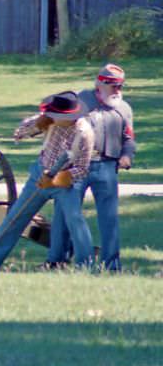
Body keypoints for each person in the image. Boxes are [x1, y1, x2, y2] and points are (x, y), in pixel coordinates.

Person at [0, 91, 95, 271]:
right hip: (39, 174)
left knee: (75, 220)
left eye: (55, 115)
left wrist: (55, 181)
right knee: (14, 219)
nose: (51, 116)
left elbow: (81, 169)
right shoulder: (49, 120)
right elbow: (21, 131)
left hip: (65, 183)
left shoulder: (84, 133)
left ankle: (86, 266)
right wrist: (37, 124)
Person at [59, 63, 135, 271]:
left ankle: (112, 265)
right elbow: (62, 129)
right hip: (76, 166)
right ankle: (62, 260)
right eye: (113, 86)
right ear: (99, 83)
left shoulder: (124, 109)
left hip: (107, 166)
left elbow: (129, 138)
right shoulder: (80, 100)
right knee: (70, 214)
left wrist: (127, 156)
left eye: (120, 86)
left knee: (109, 219)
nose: (118, 90)